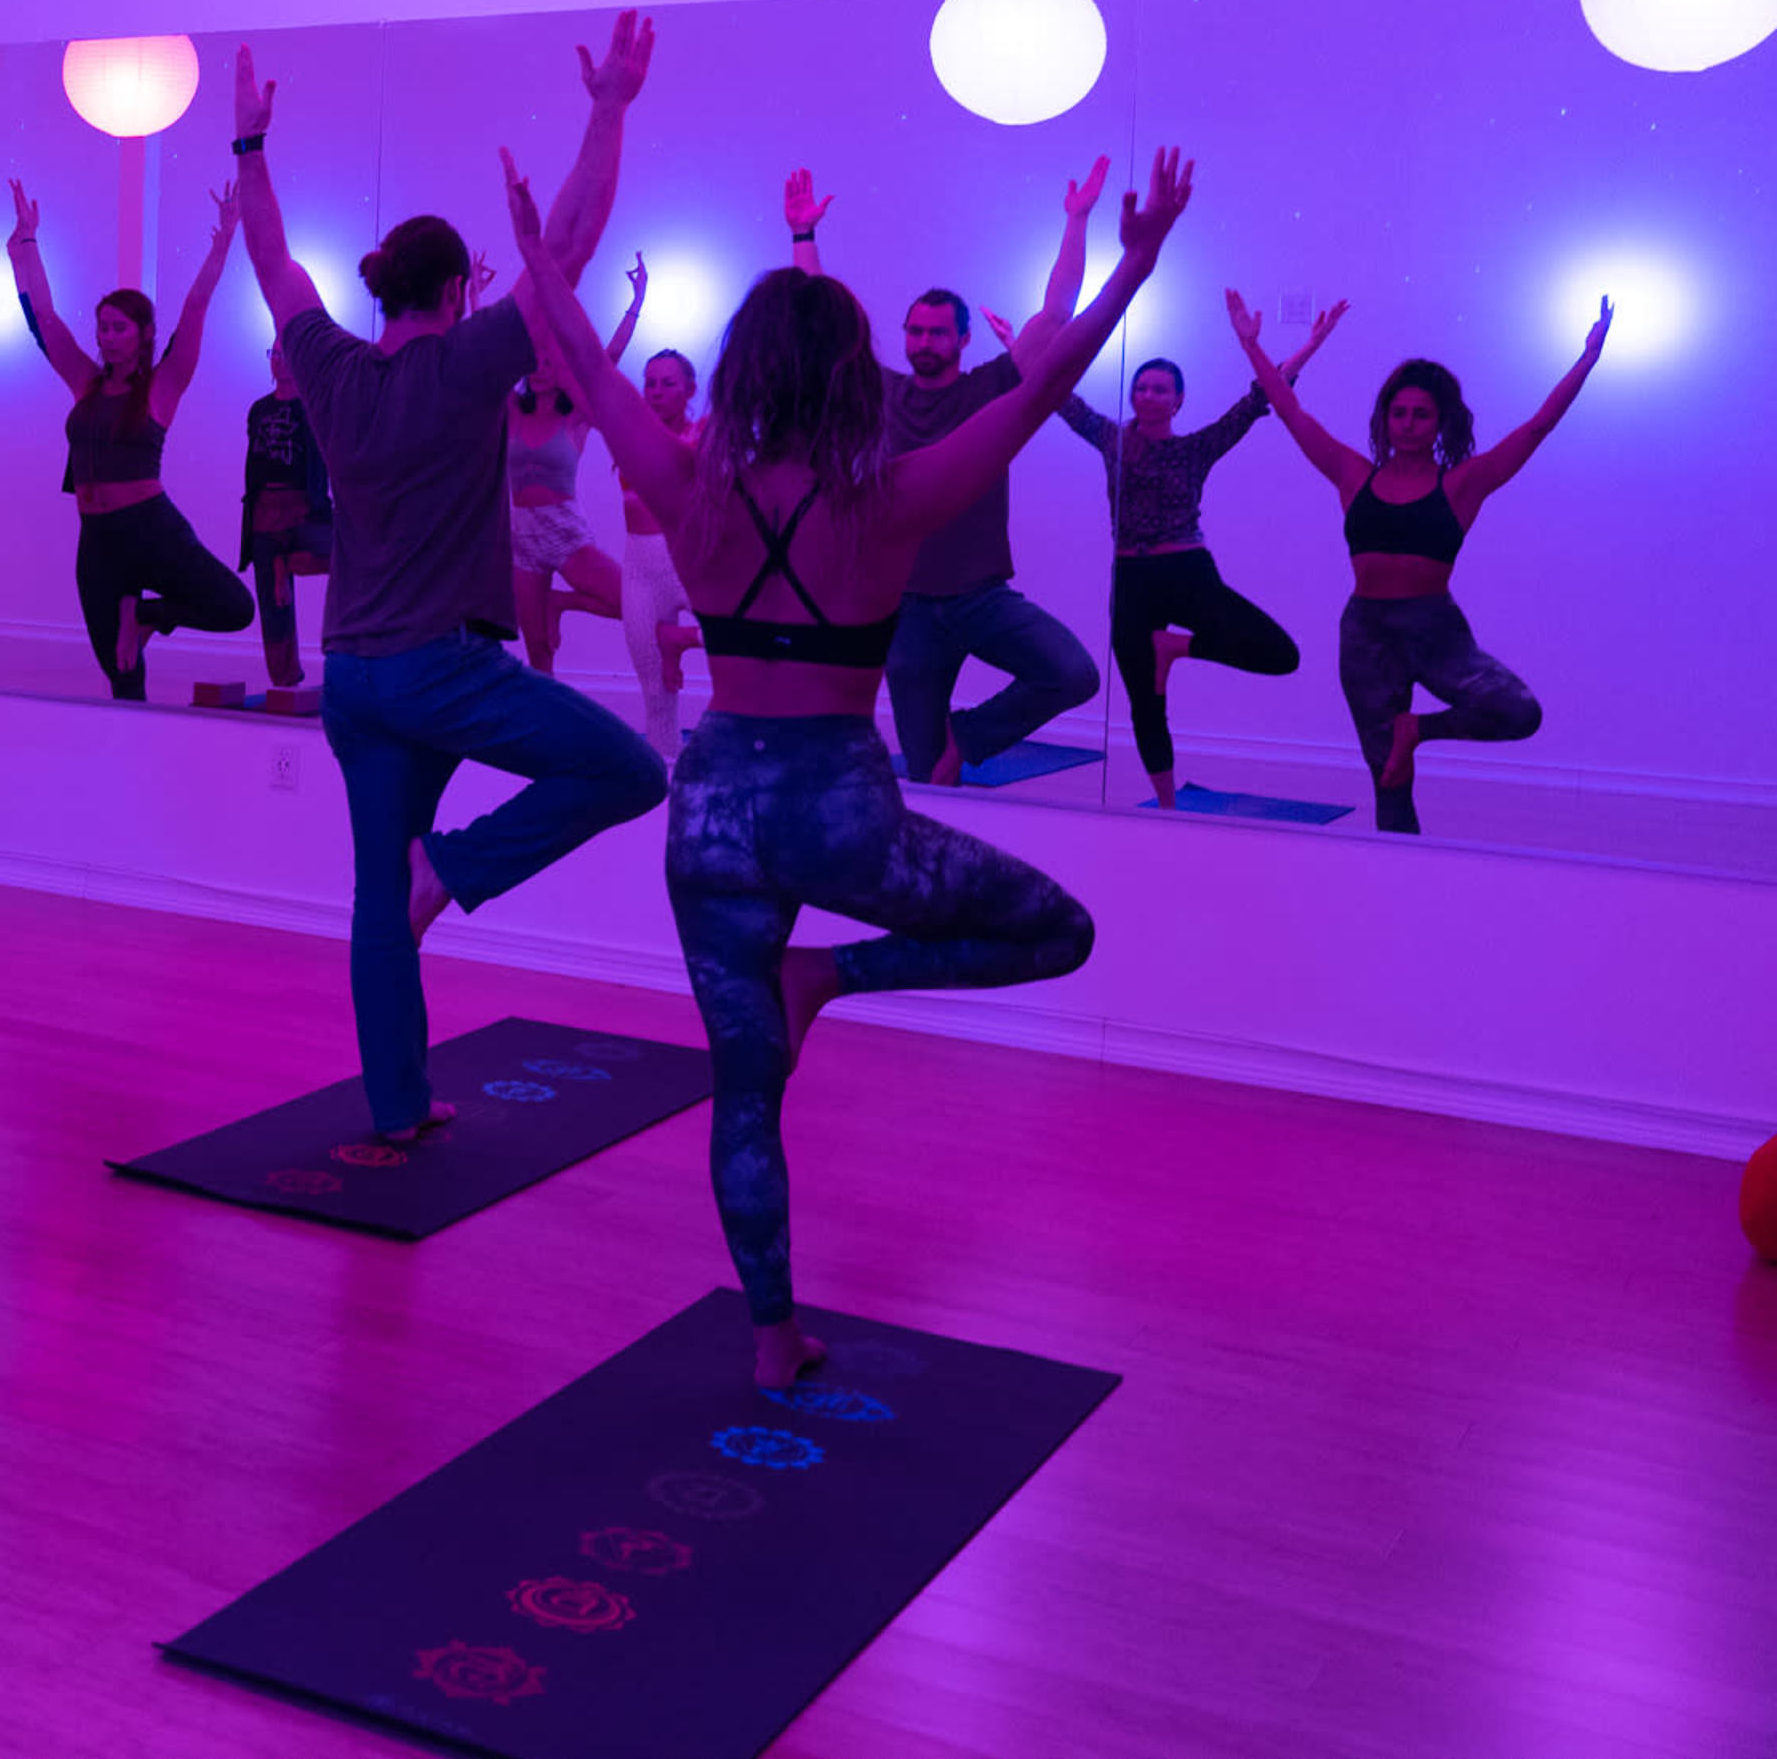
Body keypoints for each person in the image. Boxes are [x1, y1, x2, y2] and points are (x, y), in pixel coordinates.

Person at [520, 138, 1191, 1388]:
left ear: (743, 371)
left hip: (713, 803)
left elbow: (593, 376)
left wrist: (541, 265)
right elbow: (1043, 393)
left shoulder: (685, 487)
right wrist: (1136, 267)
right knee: (1058, 930)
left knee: (741, 1096)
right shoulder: (895, 494)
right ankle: (828, 973)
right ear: (851, 378)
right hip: (838, 802)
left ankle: (773, 1335)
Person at [228, 23, 671, 1142]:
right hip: (438, 670)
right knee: (626, 769)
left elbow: (274, 265)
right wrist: (609, 106)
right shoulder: (472, 360)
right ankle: (454, 868)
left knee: (381, 900)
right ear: (461, 286)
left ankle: (398, 1107)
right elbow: (567, 243)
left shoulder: (326, 367)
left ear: (384, 289)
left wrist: (249, 146)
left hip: (352, 679)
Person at [1232, 294, 1604, 834]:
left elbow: (1538, 426)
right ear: (1385, 419)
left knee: (1520, 712)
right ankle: (1397, 885)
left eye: (1421, 415)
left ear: (1440, 423)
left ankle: (1418, 730)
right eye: (1399, 413)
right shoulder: (1352, 473)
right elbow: (1290, 411)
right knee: (1387, 779)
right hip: (1366, 631)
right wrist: (1250, 345)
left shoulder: (1462, 484)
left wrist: (1587, 359)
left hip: (1434, 628)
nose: (1408, 424)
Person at [793, 164, 1104, 782]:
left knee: (1073, 673)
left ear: (963, 339)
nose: (925, 340)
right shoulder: (877, 391)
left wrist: (1077, 218)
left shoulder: (992, 386)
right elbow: (819, 320)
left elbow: (1057, 311)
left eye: (938, 332)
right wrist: (802, 236)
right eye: (915, 331)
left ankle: (971, 733)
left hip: (980, 594)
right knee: (928, 774)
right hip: (903, 604)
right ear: (904, 337)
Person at [1048, 305, 1342, 805]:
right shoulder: (1112, 439)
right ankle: (1166, 806)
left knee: (1279, 652)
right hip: (1132, 578)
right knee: (1145, 700)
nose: (1148, 395)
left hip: (1187, 571)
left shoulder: (1196, 448)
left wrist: (1311, 345)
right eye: (1141, 387)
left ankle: (1175, 647)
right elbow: (1057, 396)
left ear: (1178, 400)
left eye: (1160, 389)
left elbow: (1257, 400)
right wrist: (1025, 346)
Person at [7, 176, 254, 698]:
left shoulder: (164, 384)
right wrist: (25, 245)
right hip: (97, 540)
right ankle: (130, 759)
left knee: (235, 607)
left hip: (151, 528)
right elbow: (44, 319)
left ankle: (144, 614)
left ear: (143, 334)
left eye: (119, 327)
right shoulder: (85, 381)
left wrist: (225, 238)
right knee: (120, 675)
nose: (107, 336)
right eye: (102, 327)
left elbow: (195, 309)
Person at [505, 253, 647, 675]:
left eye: (550, 361)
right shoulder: (512, 410)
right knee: (538, 652)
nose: (541, 368)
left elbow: (608, 360)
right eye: (535, 363)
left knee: (633, 605)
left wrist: (636, 303)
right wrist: (476, 296)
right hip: (520, 534)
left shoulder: (576, 415)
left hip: (563, 530)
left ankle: (561, 602)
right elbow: (487, 365)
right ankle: (543, 738)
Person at [616, 343, 705, 749]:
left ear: (689, 389)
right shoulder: (628, 432)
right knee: (656, 696)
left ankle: (679, 639)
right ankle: (663, 789)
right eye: (649, 383)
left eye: (668, 383)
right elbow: (592, 373)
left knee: (740, 644)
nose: (656, 391)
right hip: (639, 568)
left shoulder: (703, 433)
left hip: (686, 563)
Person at [239, 342, 335, 692]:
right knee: (272, 606)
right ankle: (284, 682)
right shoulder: (259, 409)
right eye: (274, 354)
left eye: (287, 353)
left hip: (304, 508)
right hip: (265, 510)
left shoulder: (316, 407)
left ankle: (287, 561)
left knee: (349, 552)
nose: (279, 361)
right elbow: (254, 463)